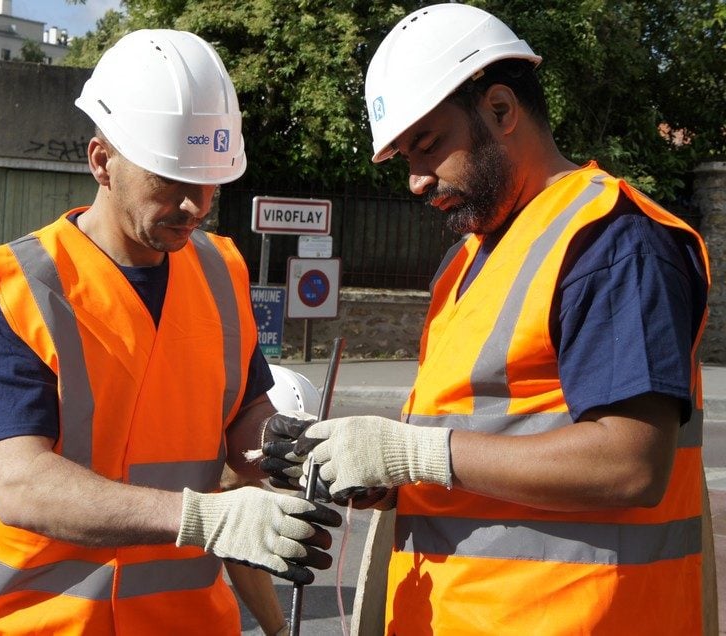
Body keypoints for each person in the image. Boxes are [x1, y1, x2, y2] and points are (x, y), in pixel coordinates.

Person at [262, 4, 712, 634]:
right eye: (404, 158)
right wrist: (367, 471)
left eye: (427, 145)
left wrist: (408, 454)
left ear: (501, 110)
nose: (417, 181)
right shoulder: (466, 260)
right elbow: (473, 451)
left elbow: (629, 463)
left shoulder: (613, 244)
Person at [0, 29, 340, 636]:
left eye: (208, 181)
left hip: (182, 622)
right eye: (170, 179)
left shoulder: (222, 273)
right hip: (38, 622)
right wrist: (206, 518)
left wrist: (300, 450)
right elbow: (22, 485)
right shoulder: (16, 290)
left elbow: (246, 420)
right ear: (102, 161)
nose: (194, 204)